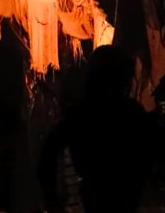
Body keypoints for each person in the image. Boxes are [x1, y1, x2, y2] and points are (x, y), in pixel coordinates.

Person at [38, 45, 156, 213]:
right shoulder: (133, 113)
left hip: (95, 195)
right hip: (125, 196)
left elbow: (47, 156)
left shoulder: (82, 113)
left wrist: (51, 200)